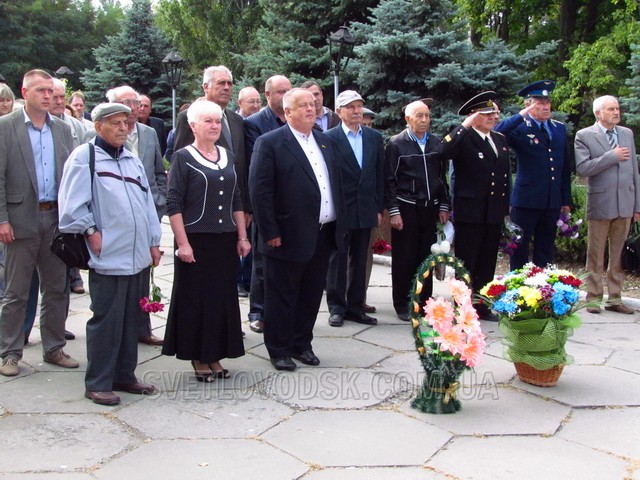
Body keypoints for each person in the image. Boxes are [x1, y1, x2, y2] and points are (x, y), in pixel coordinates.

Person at [58, 102, 162, 405]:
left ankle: (125, 375)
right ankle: (98, 382)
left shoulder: (131, 159)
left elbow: (146, 203)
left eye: (125, 122)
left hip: (138, 255)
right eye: (115, 123)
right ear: (98, 125)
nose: (122, 128)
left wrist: (154, 240)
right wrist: (91, 230)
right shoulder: (84, 157)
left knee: (131, 319)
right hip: (108, 255)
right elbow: (71, 206)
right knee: (106, 320)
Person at [249, 88, 346, 371]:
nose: (310, 108)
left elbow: (336, 185)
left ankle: (301, 343)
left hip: (322, 232)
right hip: (286, 234)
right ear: (287, 112)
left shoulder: (325, 142)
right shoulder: (270, 143)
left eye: (313, 104)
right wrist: (270, 232)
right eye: (302, 105)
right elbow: (260, 191)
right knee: (282, 295)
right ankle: (278, 349)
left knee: (311, 293)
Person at [162, 101, 249, 381]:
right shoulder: (182, 157)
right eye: (208, 121)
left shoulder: (227, 154)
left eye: (217, 121)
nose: (214, 126)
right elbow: (173, 203)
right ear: (193, 126)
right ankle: (198, 356)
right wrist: (182, 243)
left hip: (224, 240)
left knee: (221, 298)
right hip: (195, 241)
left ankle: (216, 354)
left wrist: (242, 236)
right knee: (197, 300)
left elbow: (236, 197)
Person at [0, 69, 79, 377]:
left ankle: (54, 347)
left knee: (57, 287)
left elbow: (70, 176)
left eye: (50, 91)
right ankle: (9, 352)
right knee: (16, 291)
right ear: (24, 92)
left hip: (56, 219)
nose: (47, 96)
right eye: (40, 91)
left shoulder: (60, 129)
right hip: (20, 220)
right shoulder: (6, 128)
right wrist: (3, 219)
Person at [102, 85, 167, 346]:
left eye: (136, 102)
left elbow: (159, 172)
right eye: (127, 102)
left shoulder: (149, 133)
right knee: (117, 282)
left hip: (147, 215)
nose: (134, 107)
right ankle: (116, 331)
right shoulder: (101, 139)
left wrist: (158, 204)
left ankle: (143, 329)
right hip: (116, 222)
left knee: (145, 274)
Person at [438, 91, 511, 321]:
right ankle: (463, 306)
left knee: (487, 260)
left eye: (495, 113)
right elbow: (443, 151)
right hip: (471, 210)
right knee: (467, 261)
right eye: (487, 113)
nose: (493, 118)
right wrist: (464, 126)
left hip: (493, 210)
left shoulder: (499, 139)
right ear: (473, 116)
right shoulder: (464, 138)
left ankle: (482, 304)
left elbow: (505, 175)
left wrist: (505, 207)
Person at [494, 80, 572, 269]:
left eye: (547, 102)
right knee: (519, 249)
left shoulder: (558, 128)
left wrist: (565, 200)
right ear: (528, 105)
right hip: (526, 200)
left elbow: (564, 167)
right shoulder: (520, 127)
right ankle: (519, 292)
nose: (545, 107)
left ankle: (542, 292)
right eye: (539, 103)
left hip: (551, 201)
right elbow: (496, 132)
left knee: (545, 250)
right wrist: (521, 116)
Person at [384, 99, 450, 321]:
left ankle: (424, 301)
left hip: (429, 208)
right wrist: (394, 211)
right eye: (419, 116)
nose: (424, 120)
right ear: (408, 119)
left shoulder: (435, 143)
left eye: (427, 116)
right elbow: (389, 181)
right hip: (407, 207)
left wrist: (443, 205)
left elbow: (442, 178)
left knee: (426, 256)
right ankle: (403, 303)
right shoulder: (396, 144)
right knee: (405, 257)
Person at [575, 95, 640, 315]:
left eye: (617, 108)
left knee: (619, 254)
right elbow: (583, 168)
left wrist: (637, 205)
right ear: (598, 113)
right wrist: (611, 156)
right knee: (595, 255)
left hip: (625, 204)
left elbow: (634, 173)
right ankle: (593, 298)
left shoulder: (626, 134)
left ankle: (615, 298)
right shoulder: (584, 135)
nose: (616, 112)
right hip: (601, 204)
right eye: (611, 109)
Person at [325, 90, 384, 327]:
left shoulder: (374, 137)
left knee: (360, 259)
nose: (356, 111)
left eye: (359, 106)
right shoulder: (328, 138)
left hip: (366, 207)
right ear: (339, 112)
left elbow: (379, 174)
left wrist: (379, 206)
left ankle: (355, 306)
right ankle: (337, 307)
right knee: (338, 258)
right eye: (350, 107)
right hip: (341, 209)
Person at [244, 75, 292, 334]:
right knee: (261, 262)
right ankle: (258, 311)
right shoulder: (254, 124)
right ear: (268, 94)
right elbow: (256, 167)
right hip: (267, 203)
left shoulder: (294, 121)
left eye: (289, 90)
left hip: (293, 204)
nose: (286, 94)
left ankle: (282, 311)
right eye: (280, 91)